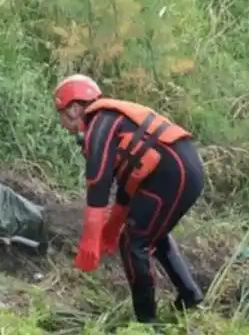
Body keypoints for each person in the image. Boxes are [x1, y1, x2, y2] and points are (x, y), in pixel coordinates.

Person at [53, 74, 204, 324]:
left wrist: (91, 240)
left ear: (74, 108)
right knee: (151, 232)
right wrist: (111, 227)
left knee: (134, 243)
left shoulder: (100, 125)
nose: (61, 123)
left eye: (61, 114)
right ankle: (189, 294)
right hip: (185, 170)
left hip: (173, 174)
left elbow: (98, 184)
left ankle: (147, 323)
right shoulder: (114, 120)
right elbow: (128, 179)